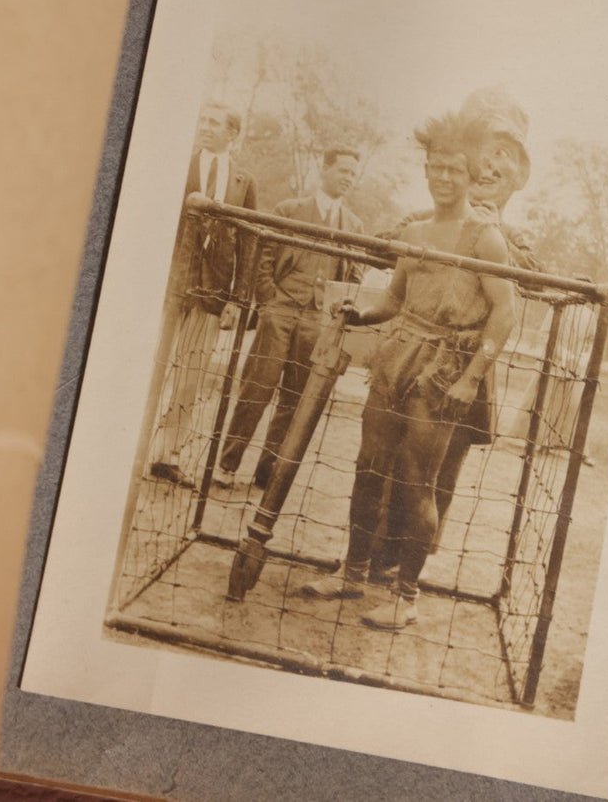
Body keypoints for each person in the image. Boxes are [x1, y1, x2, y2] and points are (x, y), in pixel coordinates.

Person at [302, 112, 517, 630]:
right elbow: (395, 301)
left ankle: (406, 596)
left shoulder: (485, 238)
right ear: (426, 170)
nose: (444, 177)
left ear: (471, 176)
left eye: (454, 170)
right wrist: (360, 313)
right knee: (368, 468)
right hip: (395, 360)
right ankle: (352, 573)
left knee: (419, 482)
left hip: (441, 373)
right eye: (436, 167)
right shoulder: (416, 231)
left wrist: (470, 378)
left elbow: (506, 312)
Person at [369, 87, 540, 580]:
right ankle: (375, 553)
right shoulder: (423, 220)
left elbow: (532, 276)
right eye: (483, 151)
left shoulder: (511, 236)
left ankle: (413, 563)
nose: (490, 167)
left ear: (519, 175)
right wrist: (440, 232)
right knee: (389, 460)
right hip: (411, 359)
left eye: (504, 156)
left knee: (442, 466)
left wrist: (492, 237)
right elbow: (382, 245)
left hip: (467, 366)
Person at [214, 148, 366, 489]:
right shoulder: (289, 210)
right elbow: (263, 255)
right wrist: (269, 300)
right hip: (279, 311)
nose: (347, 178)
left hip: (317, 320)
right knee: (257, 389)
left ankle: (266, 471)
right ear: (325, 169)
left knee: (295, 399)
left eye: (353, 174)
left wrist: (335, 312)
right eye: (342, 170)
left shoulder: (354, 225)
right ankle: (227, 464)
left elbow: (356, 273)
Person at [147, 101, 258, 483]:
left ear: (233, 132)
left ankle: (166, 456)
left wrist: (237, 299)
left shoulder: (244, 181)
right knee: (150, 365)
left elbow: (248, 243)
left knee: (190, 378)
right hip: (169, 285)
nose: (206, 126)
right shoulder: (179, 165)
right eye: (204, 120)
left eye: (215, 122)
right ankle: (129, 445)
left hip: (211, 293)